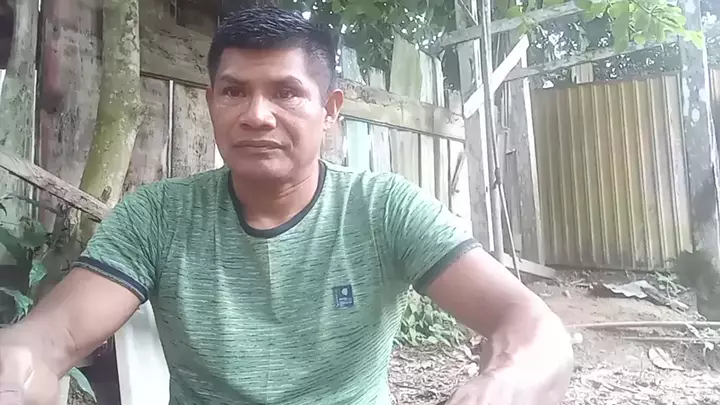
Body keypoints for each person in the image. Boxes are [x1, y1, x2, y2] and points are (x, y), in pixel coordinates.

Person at [0, 7, 573, 405]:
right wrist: (17, 371)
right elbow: (50, 339)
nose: (256, 115)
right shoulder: (157, 217)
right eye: (234, 91)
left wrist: (505, 382)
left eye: (286, 92)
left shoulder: (383, 209)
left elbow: (533, 327)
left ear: (331, 109)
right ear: (211, 102)